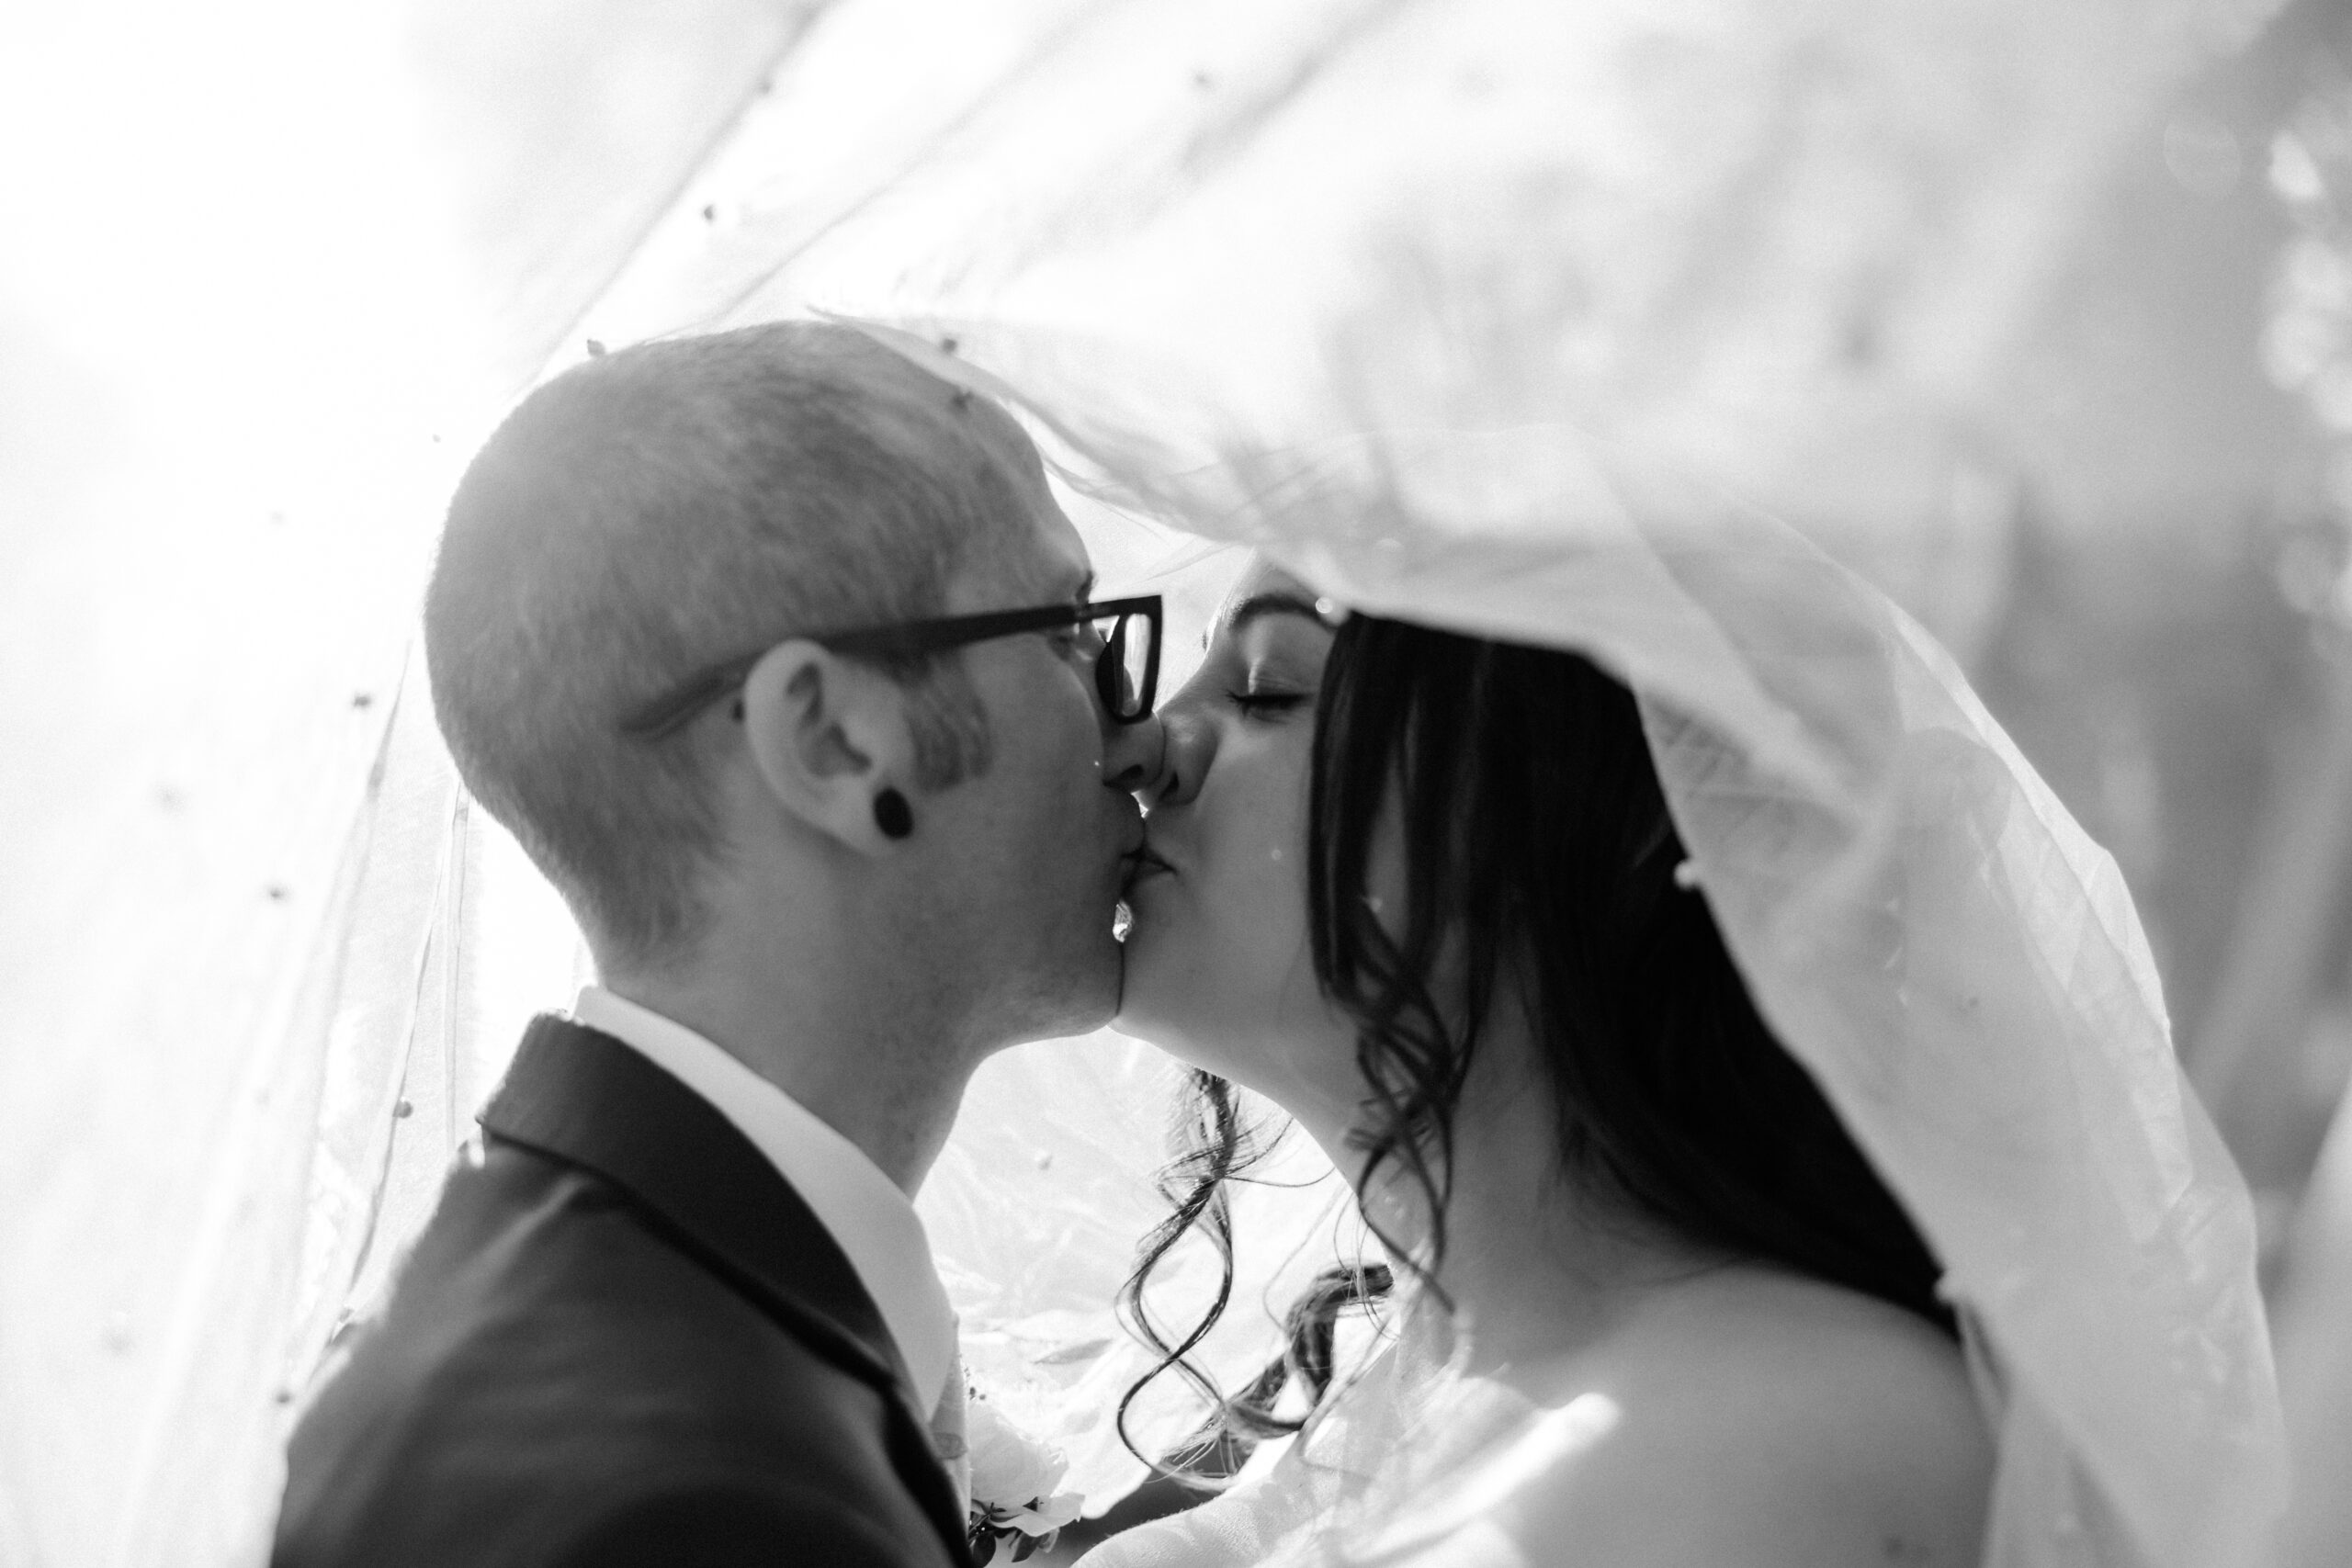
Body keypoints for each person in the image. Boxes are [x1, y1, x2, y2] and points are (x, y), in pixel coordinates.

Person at [271, 321, 1167, 1567]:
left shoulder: (605, 1317)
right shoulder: (694, 1504)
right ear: (834, 741)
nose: (1142, 736)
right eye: (1072, 630)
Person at [1082, 558, 1995, 1568]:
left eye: (1268, 691)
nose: (1146, 745)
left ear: (1577, 803)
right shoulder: (1386, 1413)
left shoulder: (1787, 1435)